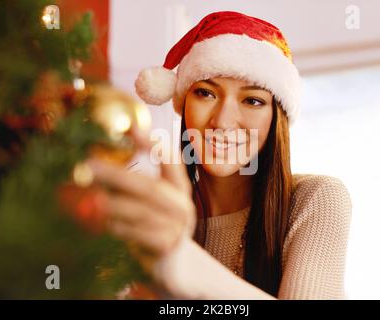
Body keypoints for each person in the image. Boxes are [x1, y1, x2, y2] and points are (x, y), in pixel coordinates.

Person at [87, 11, 352, 299]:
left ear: (277, 120)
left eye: (252, 100)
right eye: (206, 93)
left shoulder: (316, 199)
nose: (223, 122)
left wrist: (181, 261)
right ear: (183, 102)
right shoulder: (152, 216)